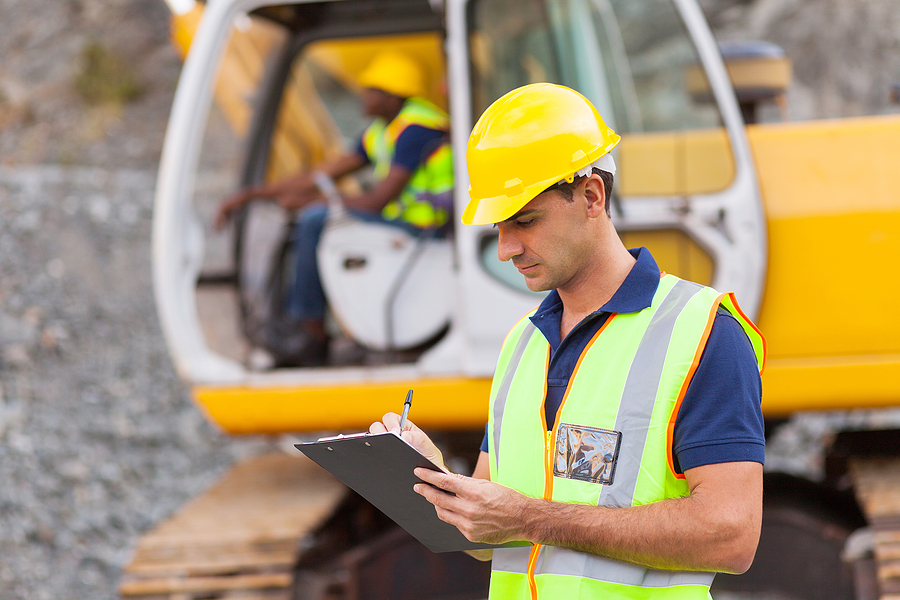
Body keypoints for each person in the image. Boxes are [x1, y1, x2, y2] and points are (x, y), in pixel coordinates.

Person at [370, 83, 766, 599]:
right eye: (499, 227)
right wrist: (434, 476)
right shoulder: (522, 344)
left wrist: (532, 519)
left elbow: (731, 536)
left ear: (591, 196)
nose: (507, 247)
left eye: (526, 221)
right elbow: (491, 538)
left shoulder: (702, 331)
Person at [214, 50, 453, 366]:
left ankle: (311, 328)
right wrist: (252, 194)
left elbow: (376, 201)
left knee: (315, 219)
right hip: (406, 223)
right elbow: (323, 174)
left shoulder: (417, 130)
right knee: (316, 218)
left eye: (372, 90)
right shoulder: (384, 130)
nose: (362, 96)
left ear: (394, 97)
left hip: (430, 230)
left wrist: (309, 202)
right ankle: (320, 322)